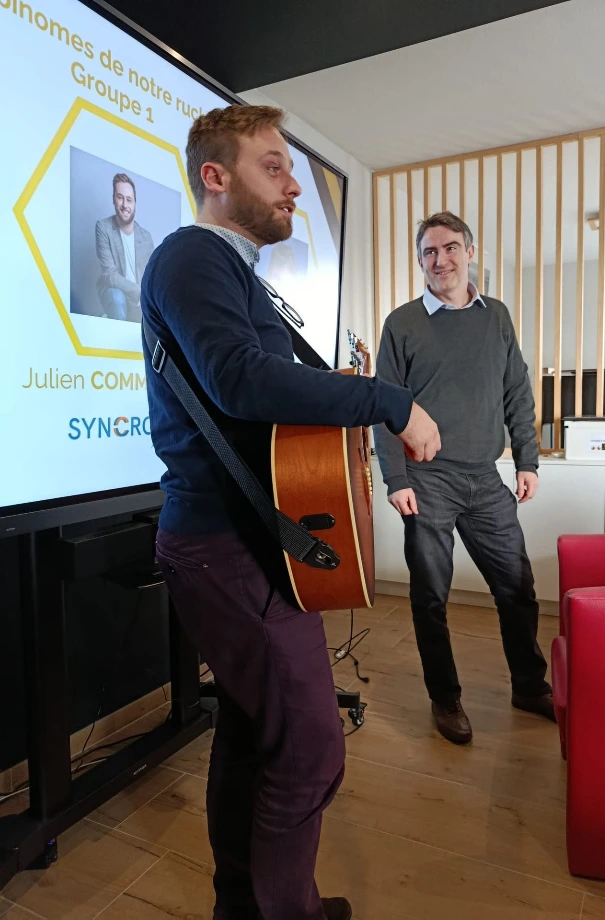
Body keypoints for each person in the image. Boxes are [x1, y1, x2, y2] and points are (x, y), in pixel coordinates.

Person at [140, 105, 440, 920]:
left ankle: (245, 906)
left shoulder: (229, 270)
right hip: (227, 543)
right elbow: (241, 381)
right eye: (273, 165)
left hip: (248, 541)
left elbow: (265, 402)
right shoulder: (192, 256)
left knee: (255, 735)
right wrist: (387, 400)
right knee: (310, 752)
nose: (294, 186)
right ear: (216, 175)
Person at [374, 211, 555, 747]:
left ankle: (529, 685)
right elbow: (387, 406)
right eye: (429, 252)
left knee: (518, 589)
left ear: (470, 253)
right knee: (431, 595)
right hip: (427, 480)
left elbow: (516, 392)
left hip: (485, 476)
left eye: (450, 248)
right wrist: (395, 478)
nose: (440, 261)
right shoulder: (402, 323)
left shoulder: (496, 317)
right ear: (421, 261)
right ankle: (445, 698)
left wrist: (527, 459)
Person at [96, 173, 154, 322]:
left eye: (129, 200)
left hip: (139, 301)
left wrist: (146, 297)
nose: (125, 205)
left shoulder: (146, 237)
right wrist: (138, 292)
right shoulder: (103, 228)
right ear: (113, 199)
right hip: (116, 292)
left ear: (135, 203)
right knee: (116, 297)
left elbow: (151, 278)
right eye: (120, 197)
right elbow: (109, 275)